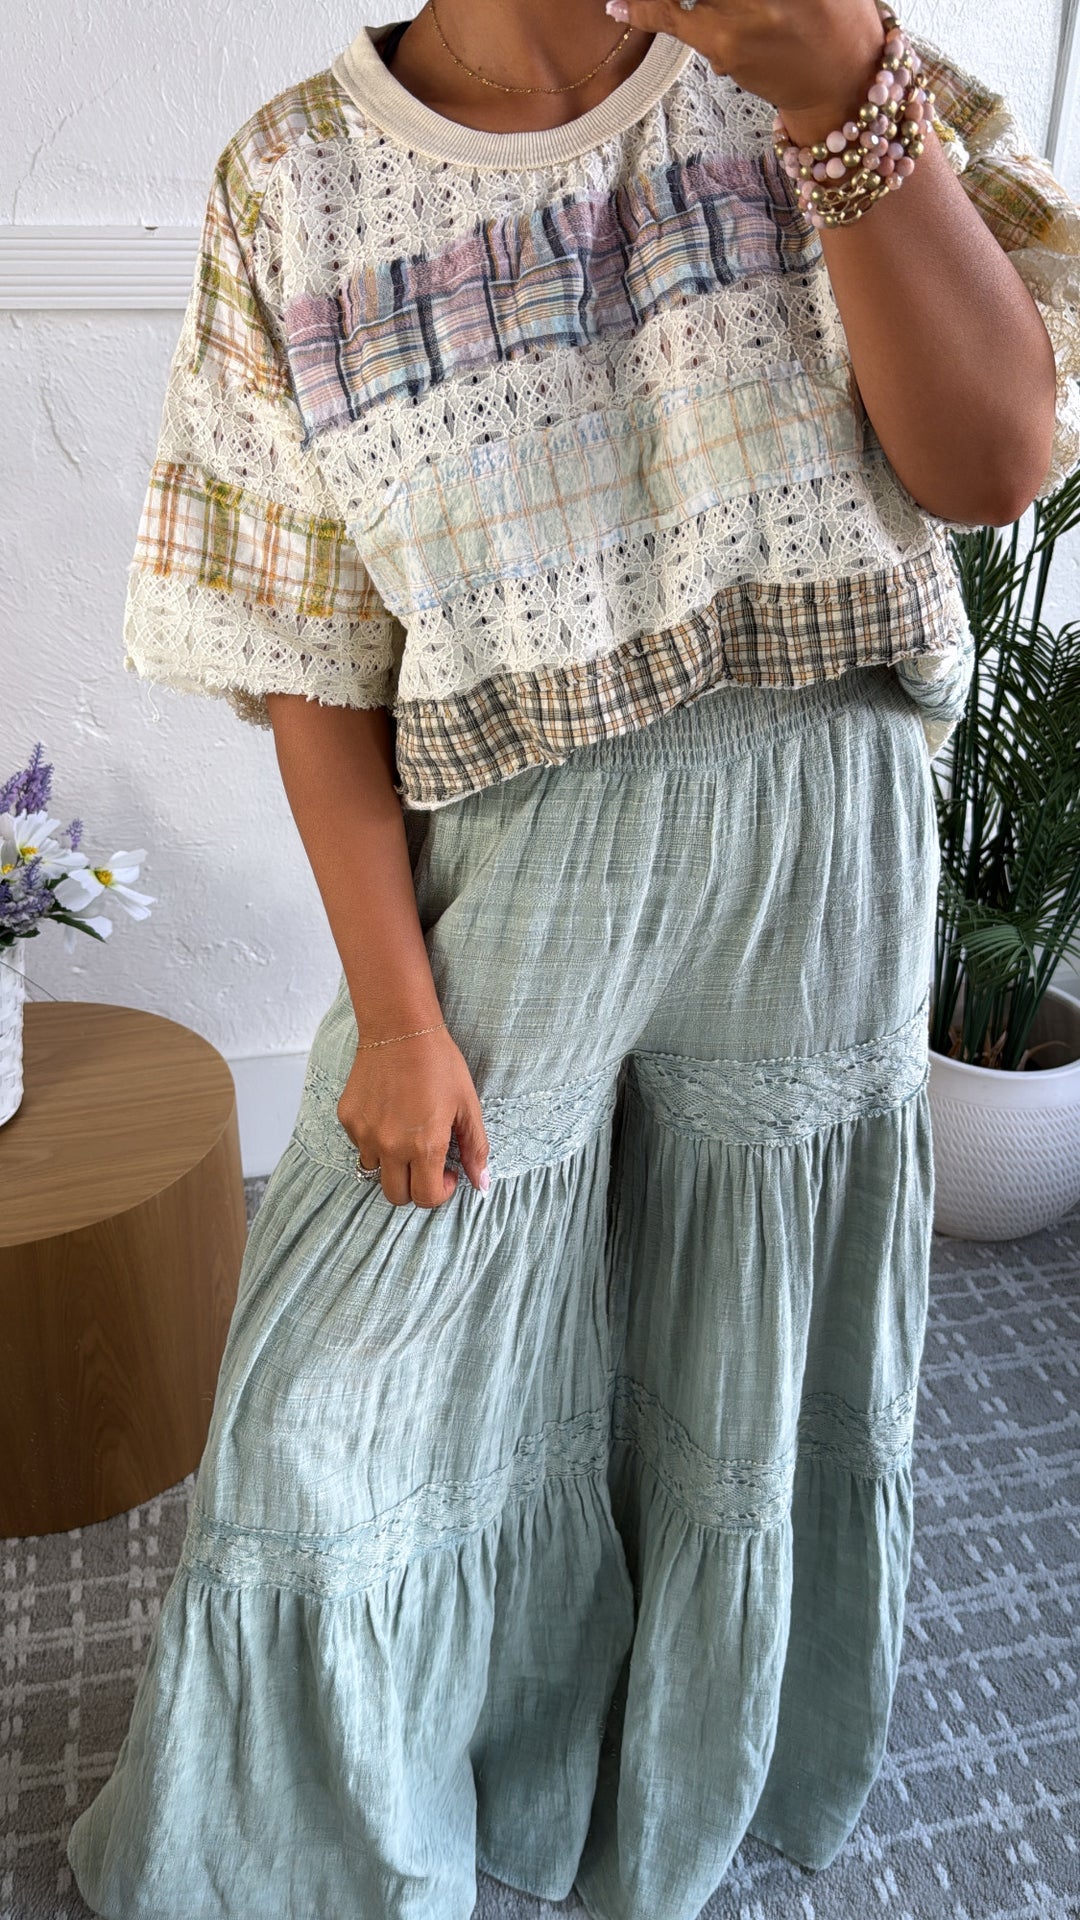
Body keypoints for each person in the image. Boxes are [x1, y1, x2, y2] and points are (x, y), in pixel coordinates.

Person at [66, 2, 1079, 1916]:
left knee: (732, 1357)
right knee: (341, 1390)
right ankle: (322, 1842)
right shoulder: (296, 179)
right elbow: (304, 651)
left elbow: (993, 463)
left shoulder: (818, 52)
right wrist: (392, 1013)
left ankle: (672, 1749)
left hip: (819, 840)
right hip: (520, 846)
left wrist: (834, 92)